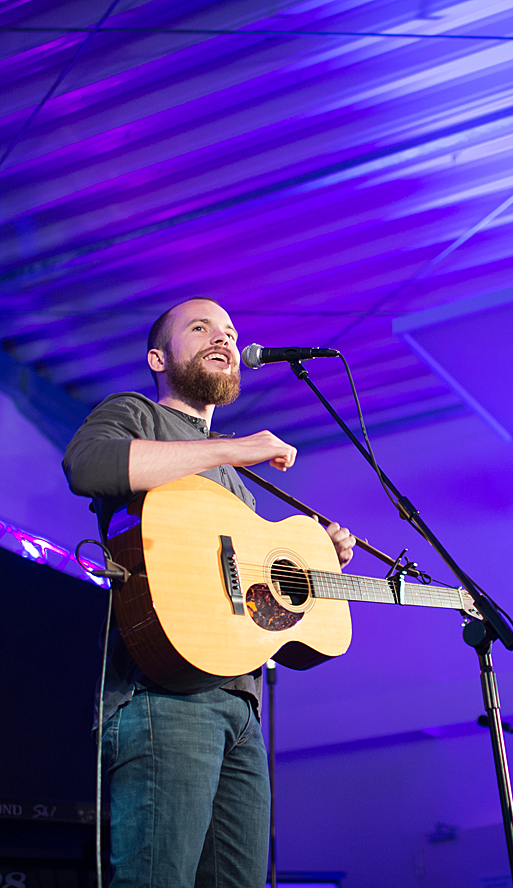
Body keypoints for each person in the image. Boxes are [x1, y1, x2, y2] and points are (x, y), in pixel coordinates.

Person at [63, 297, 355, 888]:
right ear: (158, 357)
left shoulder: (233, 485)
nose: (223, 339)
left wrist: (309, 563)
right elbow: (86, 465)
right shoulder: (136, 412)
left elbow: (234, 602)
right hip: (164, 695)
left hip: (240, 707)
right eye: (200, 329)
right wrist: (236, 446)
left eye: (230, 331)